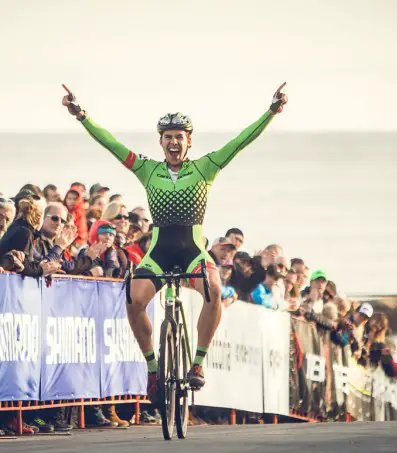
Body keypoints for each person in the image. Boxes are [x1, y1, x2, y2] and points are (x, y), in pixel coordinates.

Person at [62, 82, 287, 396]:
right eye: (167, 137)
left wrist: (271, 112)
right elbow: (111, 144)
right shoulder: (146, 169)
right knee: (133, 300)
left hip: (193, 252)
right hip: (160, 253)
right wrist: (81, 116)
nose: (173, 142)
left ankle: (197, 362)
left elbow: (238, 143)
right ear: (160, 141)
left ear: (188, 141)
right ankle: (153, 369)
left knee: (215, 292)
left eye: (178, 137)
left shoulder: (205, 167)